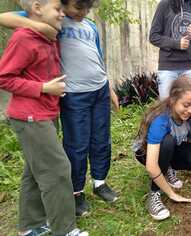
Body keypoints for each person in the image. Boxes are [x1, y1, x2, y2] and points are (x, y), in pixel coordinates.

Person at [0, 0, 120, 217]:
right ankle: (76, 191)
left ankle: (100, 182)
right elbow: (4, 18)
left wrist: (109, 87)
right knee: (77, 144)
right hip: (75, 96)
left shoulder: (90, 26)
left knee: (101, 139)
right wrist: (39, 27)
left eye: (87, 9)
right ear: (64, 5)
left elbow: (98, 58)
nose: (83, 13)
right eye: (78, 8)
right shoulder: (56, 21)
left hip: (100, 90)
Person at [0, 0, 88, 235]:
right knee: (58, 169)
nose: (62, 14)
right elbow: (4, 77)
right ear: (38, 8)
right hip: (30, 116)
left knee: (34, 169)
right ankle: (65, 229)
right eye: (58, 9)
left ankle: (30, 226)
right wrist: (43, 88)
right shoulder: (23, 38)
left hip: (46, 113)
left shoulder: (49, 35)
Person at [133, 77, 191, 221]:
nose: (190, 110)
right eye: (186, 105)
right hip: (145, 153)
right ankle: (154, 194)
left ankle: (167, 167)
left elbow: (190, 142)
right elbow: (151, 167)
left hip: (168, 148)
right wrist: (171, 194)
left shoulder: (190, 117)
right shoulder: (161, 121)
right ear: (172, 100)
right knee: (168, 142)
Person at [149, 0, 191, 100]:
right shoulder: (165, 4)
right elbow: (153, 36)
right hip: (168, 67)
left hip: (190, 67)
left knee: (188, 108)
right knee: (166, 107)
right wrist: (176, 44)